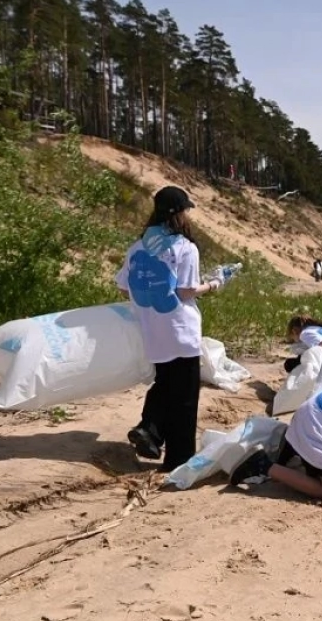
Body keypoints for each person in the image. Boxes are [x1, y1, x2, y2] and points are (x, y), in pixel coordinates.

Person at [117, 185, 232, 472]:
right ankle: (178, 459)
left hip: (151, 329)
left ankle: (150, 428)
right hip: (180, 328)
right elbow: (186, 291)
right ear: (179, 213)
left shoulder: (137, 247)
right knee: (185, 396)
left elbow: (124, 288)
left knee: (166, 382)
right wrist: (214, 283)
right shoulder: (184, 247)